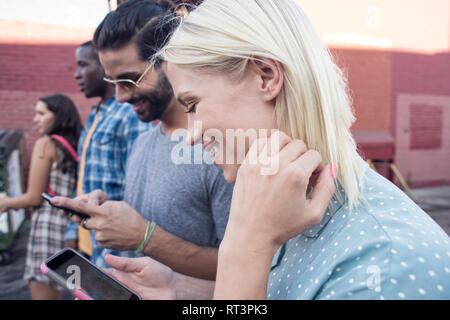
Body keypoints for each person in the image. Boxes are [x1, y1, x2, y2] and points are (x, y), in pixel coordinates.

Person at [102, 0, 450, 300]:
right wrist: (180, 291)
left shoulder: (382, 266)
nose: (191, 136)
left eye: (192, 105)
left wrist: (244, 248)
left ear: (266, 76)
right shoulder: (287, 202)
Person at [52, 0, 233, 280]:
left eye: (131, 80)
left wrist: (144, 237)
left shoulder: (220, 150)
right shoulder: (142, 142)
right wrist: (107, 210)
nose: (122, 97)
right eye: (114, 83)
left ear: (171, 62)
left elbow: (245, 265)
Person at [67, 41, 150, 268]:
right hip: (90, 245)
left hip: (118, 255)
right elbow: (85, 177)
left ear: (105, 66)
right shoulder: (95, 114)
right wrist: (73, 231)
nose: (77, 74)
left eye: (83, 65)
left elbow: (139, 192)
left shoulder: (129, 113)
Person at [0, 94, 82, 300]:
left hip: (46, 229)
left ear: (58, 116)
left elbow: (34, 198)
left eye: (41, 113)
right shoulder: (75, 146)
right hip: (70, 229)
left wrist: (6, 203)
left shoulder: (45, 144)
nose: (35, 119)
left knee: (42, 292)